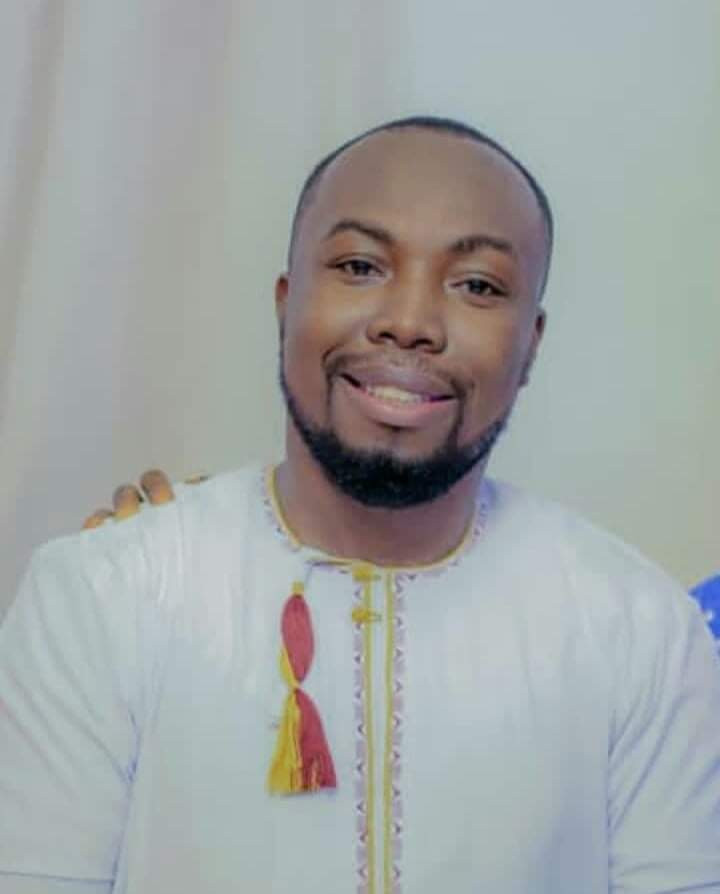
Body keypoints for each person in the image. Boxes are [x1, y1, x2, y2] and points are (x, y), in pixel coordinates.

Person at [1, 116, 719, 894]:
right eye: (359, 265)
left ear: (531, 345)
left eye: (478, 285)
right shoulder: (108, 594)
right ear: (286, 304)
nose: (409, 323)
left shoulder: (639, 629)